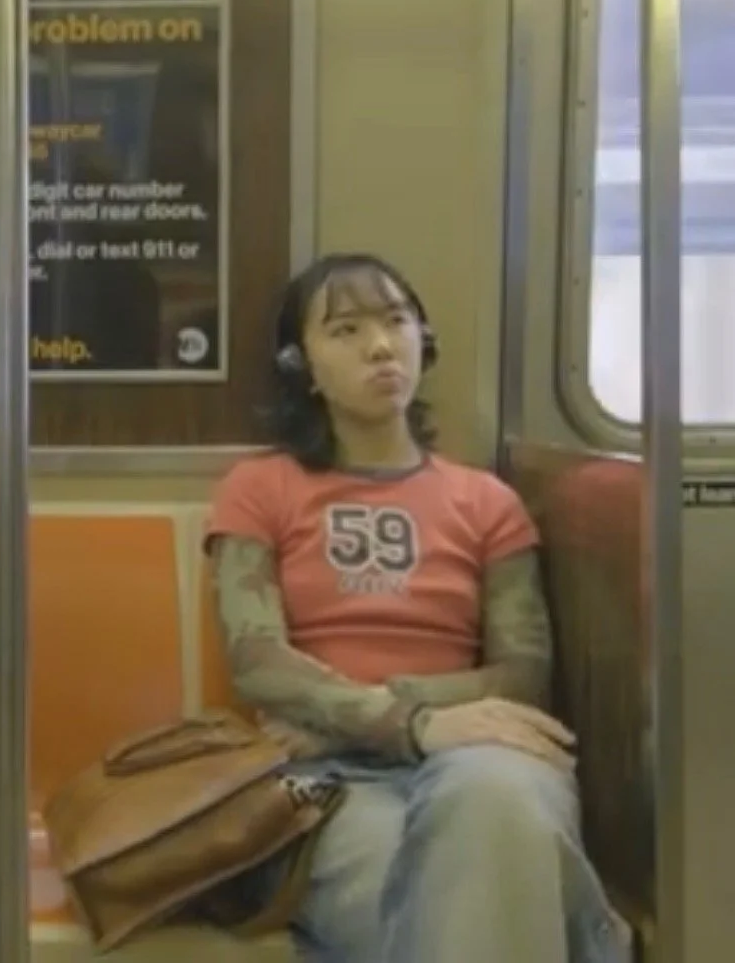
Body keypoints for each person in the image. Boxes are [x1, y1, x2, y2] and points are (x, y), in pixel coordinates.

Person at [203, 252, 630, 963]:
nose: (379, 345)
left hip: (474, 748)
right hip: (331, 781)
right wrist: (412, 723)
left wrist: (410, 719)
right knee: (425, 902)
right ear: (300, 365)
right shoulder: (259, 488)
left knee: (492, 808)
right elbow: (259, 661)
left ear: (422, 341)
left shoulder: (486, 500)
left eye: (396, 320)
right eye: (344, 330)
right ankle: (583, 931)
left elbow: (523, 674)